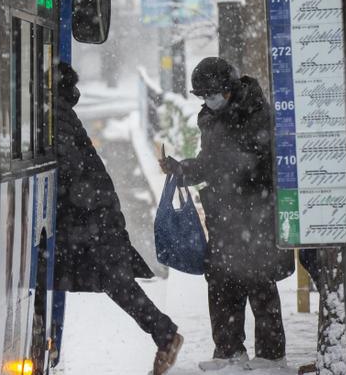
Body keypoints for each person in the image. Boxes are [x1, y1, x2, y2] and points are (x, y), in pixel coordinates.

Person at [160, 57, 294, 371]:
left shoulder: (257, 114)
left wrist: (214, 169)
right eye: (203, 95)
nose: (209, 100)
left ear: (229, 88)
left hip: (256, 210)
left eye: (213, 93)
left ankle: (272, 355)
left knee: (257, 276)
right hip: (223, 212)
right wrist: (181, 169)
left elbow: (245, 161)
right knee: (221, 279)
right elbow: (211, 161)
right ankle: (228, 350)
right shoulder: (210, 118)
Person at [53, 62, 183, 375]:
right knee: (112, 280)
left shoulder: (54, 116)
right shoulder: (59, 112)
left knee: (113, 280)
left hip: (87, 218)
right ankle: (164, 334)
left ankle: (165, 334)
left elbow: (68, 168)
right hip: (90, 214)